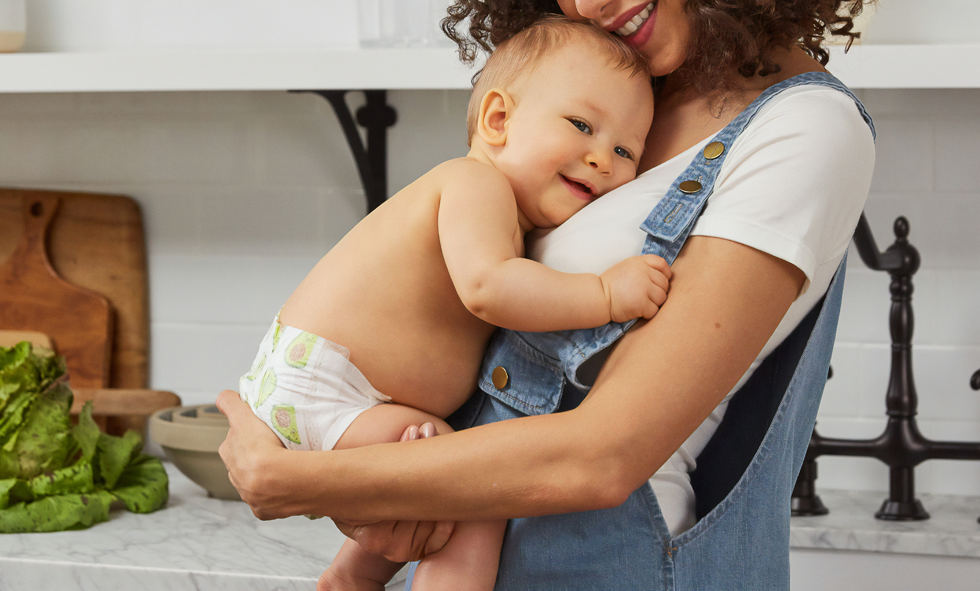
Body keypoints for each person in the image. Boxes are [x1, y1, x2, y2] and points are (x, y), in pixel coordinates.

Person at [217, 0, 876, 588]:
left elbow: (606, 456)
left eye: (621, 149)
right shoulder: (608, 93)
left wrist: (302, 481)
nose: (589, 4)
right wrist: (398, 488)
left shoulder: (806, 129)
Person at [235, 17, 664, 591]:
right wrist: (606, 294)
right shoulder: (473, 185)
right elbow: (489, 289)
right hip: (328, 384)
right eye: (581, 124)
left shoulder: (507, 212)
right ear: (499, 119)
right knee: (474, 496)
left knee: (437, 487)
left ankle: (349, 580)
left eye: (624, 149)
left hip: (331, 385)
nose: (601, 159)